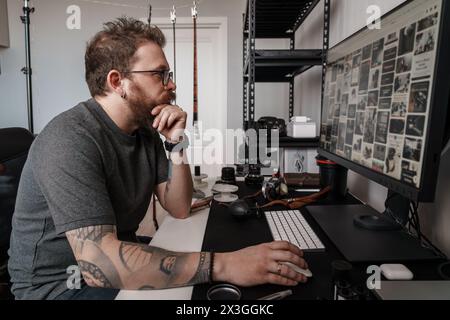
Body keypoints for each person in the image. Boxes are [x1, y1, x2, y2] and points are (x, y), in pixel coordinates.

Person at [7, 17, 308, 300]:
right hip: (61, 287)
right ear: (117, 82)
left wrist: (176, 142)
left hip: (111, 259)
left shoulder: (145, 130)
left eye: (169, 74)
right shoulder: (70, 139)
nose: (172, 84)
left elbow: (177, 207)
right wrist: (226, 265)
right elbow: (99, 266)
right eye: (159, 74)